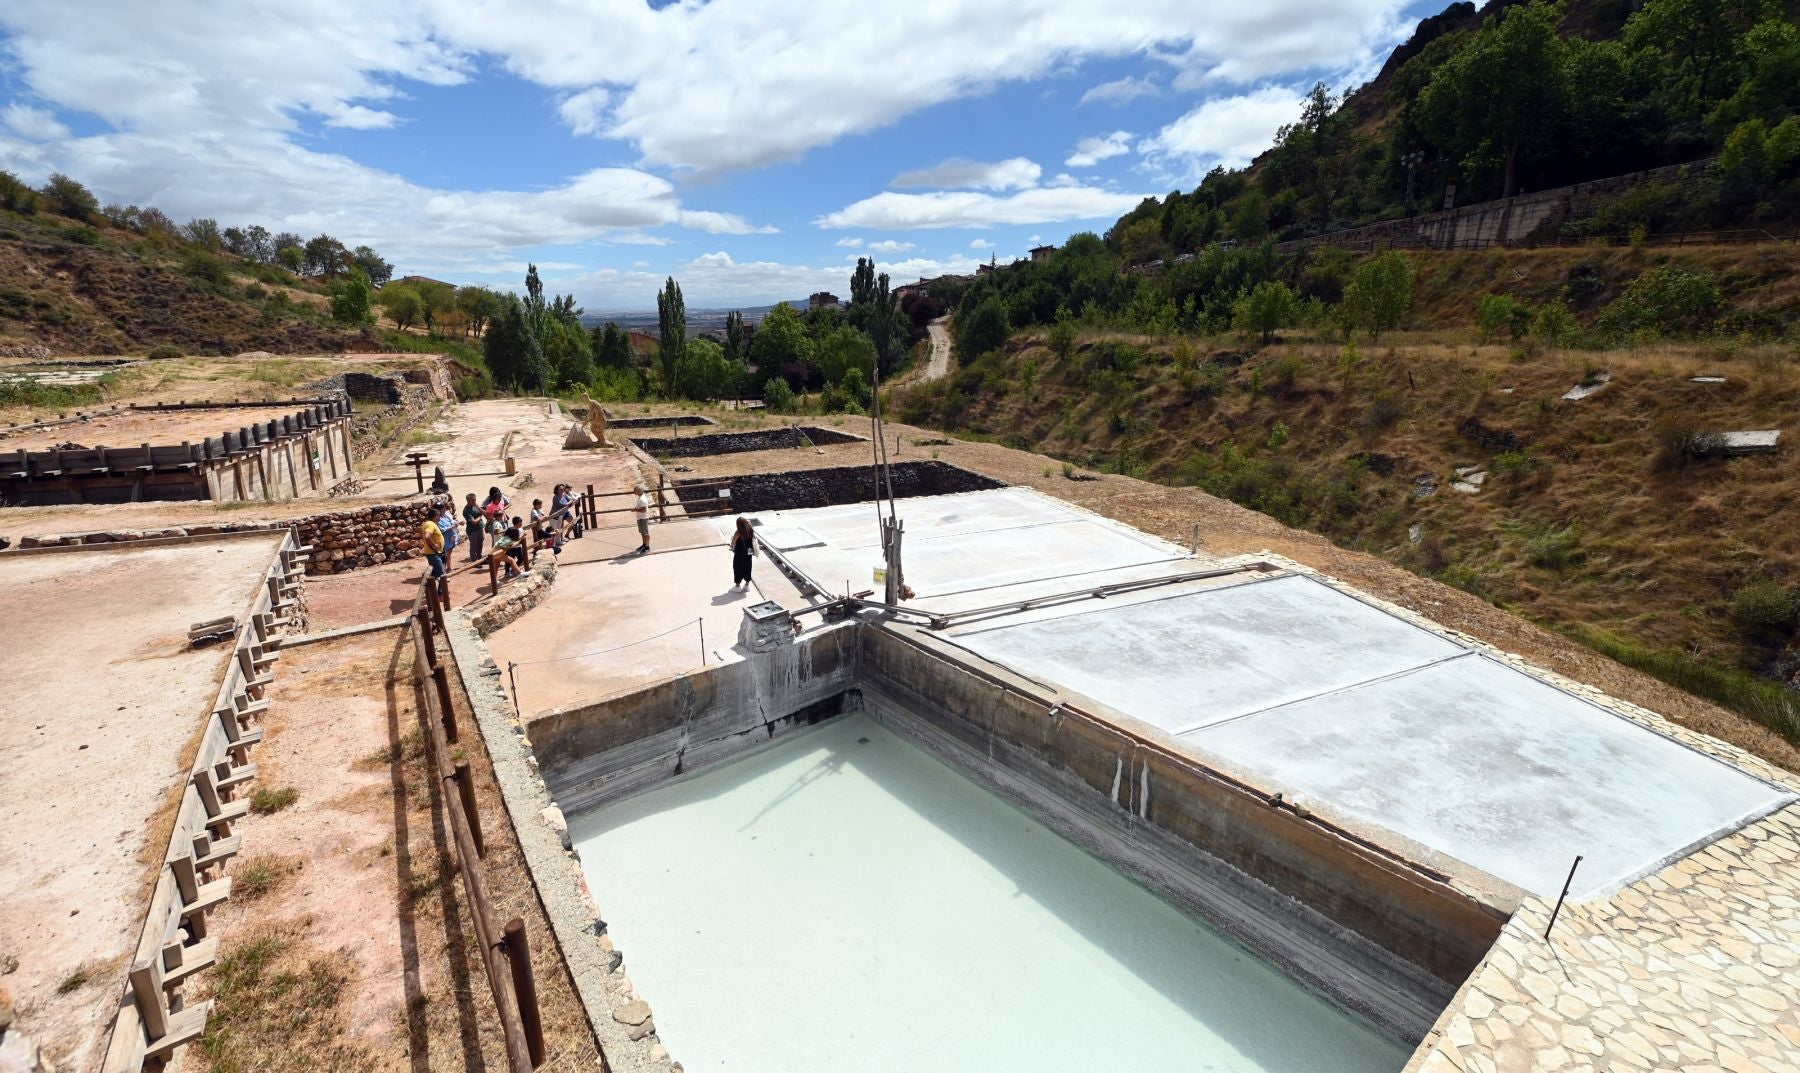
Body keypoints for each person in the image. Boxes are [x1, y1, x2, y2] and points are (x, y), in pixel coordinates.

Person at [729, 516, 756, 589]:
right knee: (748, 565)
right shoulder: (750, 528)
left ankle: (738, 586)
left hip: (740, 551)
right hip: (749, 550)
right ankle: (747, 585)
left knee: (738, 566)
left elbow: (733, 543)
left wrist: (732, 544)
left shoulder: (738, 532)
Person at [419, 506, 446, 577]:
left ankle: (434, 587)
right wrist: (435, 545)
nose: (440, 517)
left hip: (433, 553)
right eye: (439, 515)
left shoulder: (429, 523)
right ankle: (441, 588)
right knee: (440, 575)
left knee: (434, 574)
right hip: (433, 553)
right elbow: (427, 536)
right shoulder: (430, 524)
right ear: (436, 516)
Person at [462, 492, 486, 562]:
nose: (474, 501)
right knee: (474, 546)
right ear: (468, 500)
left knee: (480, 543)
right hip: (472, 530)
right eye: (472, 500)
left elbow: (485, 513)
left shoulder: (476, 506)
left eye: (475, 500)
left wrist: (478, 507)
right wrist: (480, 516)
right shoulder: (466, 510)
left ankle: (480, 558)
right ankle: (475, 561)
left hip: (479, 528)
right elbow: (474, 522)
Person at [633, 483, 652, 554]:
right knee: (642, 532)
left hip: (643, 518)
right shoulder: (640, 497)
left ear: (639, 491)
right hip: (640, 518)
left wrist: (634, 510)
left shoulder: (642, 499)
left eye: (635, 490)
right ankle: (644, 545)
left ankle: (647, 547)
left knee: (646, 533)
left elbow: (644, 510)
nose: (633, 492)